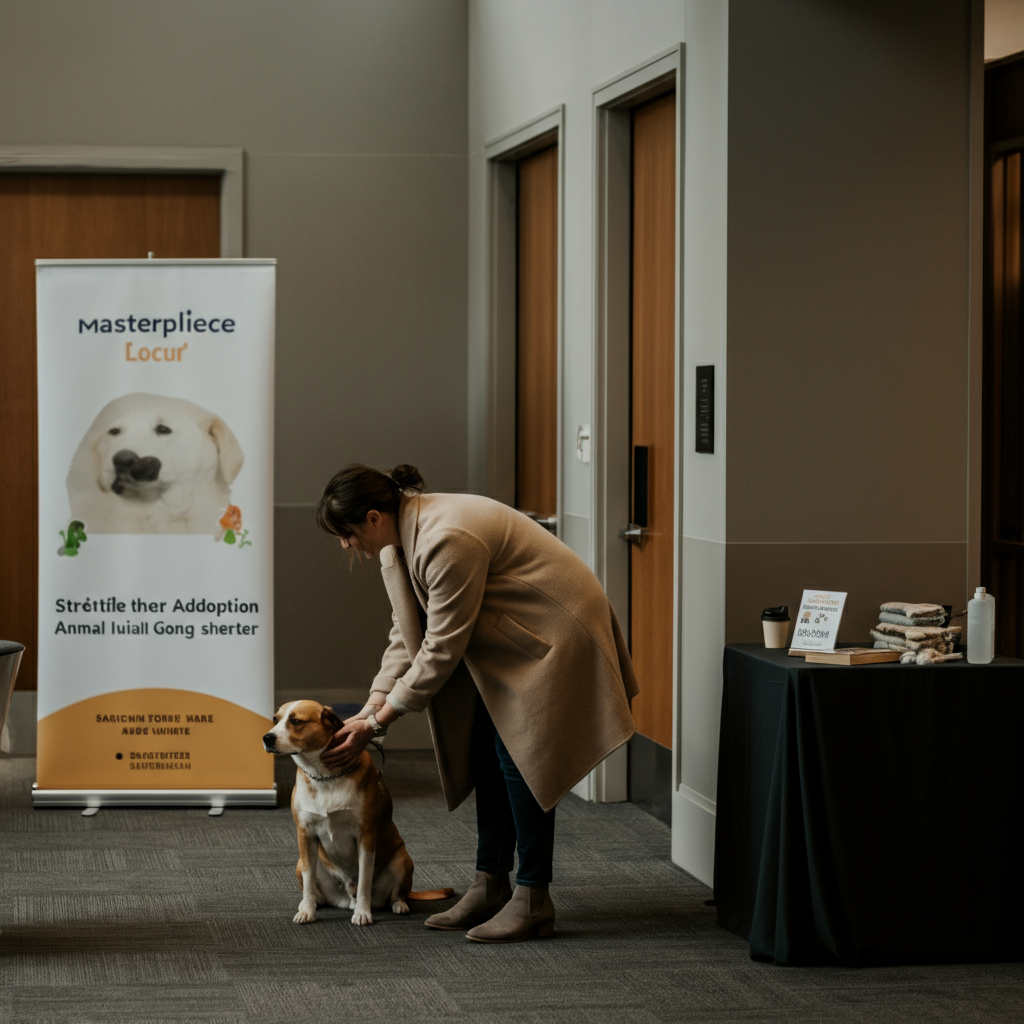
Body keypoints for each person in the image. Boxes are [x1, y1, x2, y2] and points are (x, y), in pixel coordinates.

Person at [317, 463, 638, 942]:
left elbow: (441, 647)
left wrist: (379, 722)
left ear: (372, 517)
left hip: (554, 635)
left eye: (345, 534)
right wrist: (374, 701)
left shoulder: (445, 537)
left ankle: (533, 899)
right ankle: (490, 884)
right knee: (488, 751)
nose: (346, 545)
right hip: (514, 638)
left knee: (520, 758)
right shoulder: (400, 540)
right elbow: (406, 631)